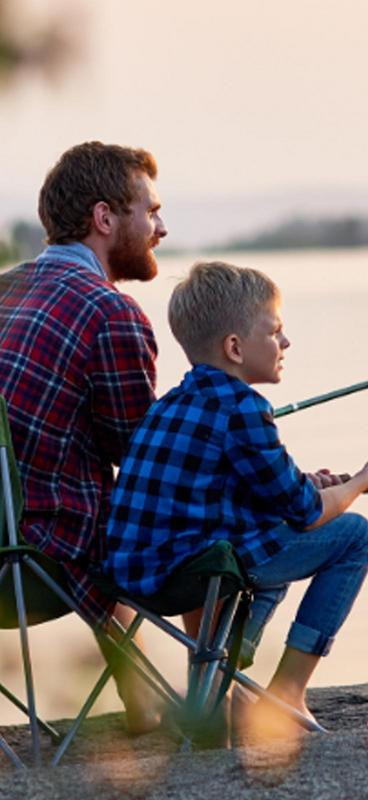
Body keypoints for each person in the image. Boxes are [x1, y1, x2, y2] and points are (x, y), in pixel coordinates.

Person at [103, 260, 368, 733]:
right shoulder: (243, 407)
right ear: (235, 348)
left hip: (134, 578)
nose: (285, 343)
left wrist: (308, 480)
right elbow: (305, 511)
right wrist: (365, 478)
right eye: (276, 331)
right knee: (354, 536)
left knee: (267, 531)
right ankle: (286, 692)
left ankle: (222, 685)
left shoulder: (169, 405)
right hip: (196, 575)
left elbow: (240, 484)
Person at [0, 141, 168, 733]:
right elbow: (143, 463)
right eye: (150, 211)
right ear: (104, 218)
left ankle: (142, 695)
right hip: (33, 566)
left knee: (80, 496)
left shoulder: (4, 289)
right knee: (194, 509)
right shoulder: (109, 312)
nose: (161, 227)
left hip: (10, 541)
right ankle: (214, 700)